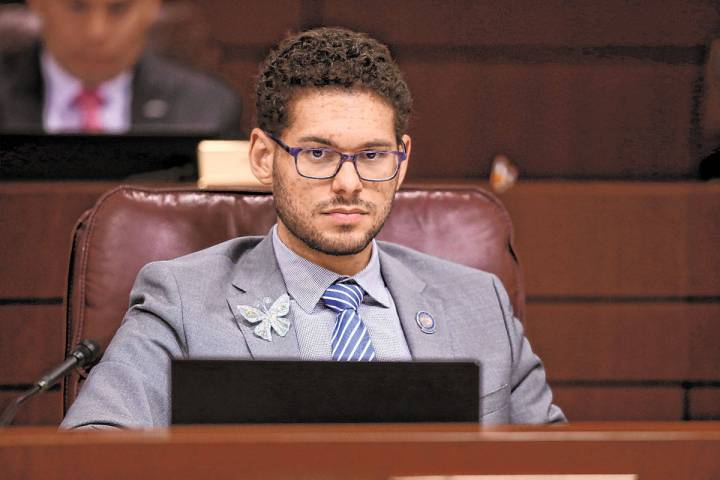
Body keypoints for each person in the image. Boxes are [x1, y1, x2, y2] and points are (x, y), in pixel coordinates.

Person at [61, 27, 565, 428]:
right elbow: (93, 450)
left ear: (402, 159)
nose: (349, 183)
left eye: (372, 155)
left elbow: (558, 465)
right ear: (263, 156)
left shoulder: (481, 303)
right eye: (319, 154)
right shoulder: (182, 300)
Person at [0, 0, 242, 135]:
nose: (96, 32)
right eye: (76, 6)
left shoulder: (208, 110)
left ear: (152, 7)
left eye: (118, 8)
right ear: (37, 4)